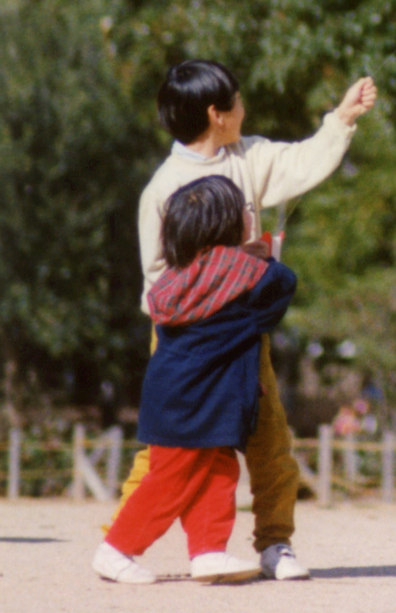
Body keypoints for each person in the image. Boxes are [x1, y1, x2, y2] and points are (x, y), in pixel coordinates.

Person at [114, 57, 377, 580]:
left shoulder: (248, 156)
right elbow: (156, 281)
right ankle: (121, 543)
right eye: (236, 99)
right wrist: (213, 296)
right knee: (167, 445)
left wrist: (341, 119)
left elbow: (301, 163)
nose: (243, 106)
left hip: (241, 334)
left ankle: (273, 543)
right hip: (182, 338)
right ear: (217, 113)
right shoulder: (161, 189)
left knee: (268, 438)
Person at [95, 175, 297, 584]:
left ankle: (208, 552)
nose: (248, 216)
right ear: (228, 223)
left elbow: (224, 279)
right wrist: (267, 260)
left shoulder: (178, 275)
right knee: (170, 481)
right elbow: (281, 289)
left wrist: (244, 258)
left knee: (219, 472)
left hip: (175, 400)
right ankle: (116, 549)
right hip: (200, 404)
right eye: (244, 210)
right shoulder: (246, 272)